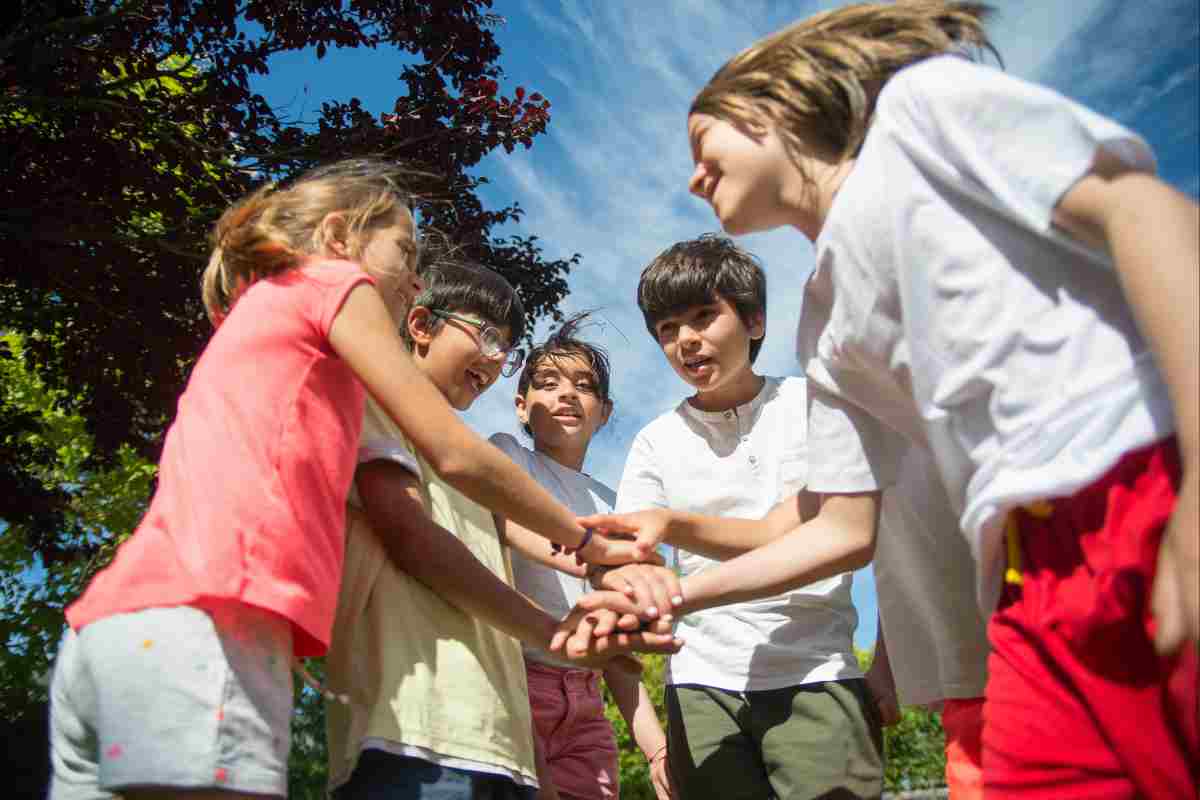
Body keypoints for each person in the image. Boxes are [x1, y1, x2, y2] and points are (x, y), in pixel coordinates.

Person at [577, 2, 1198, 796]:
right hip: (1016, 575)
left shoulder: (918, 116)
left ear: (770, 111)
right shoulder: (825, 317)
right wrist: (673, 596)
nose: (693, 176)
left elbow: (1147, 209)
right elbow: (835, 525)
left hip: (1137, 484)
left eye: (704, 144)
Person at [47, 157, 656, 800]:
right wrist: (587, 544)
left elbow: (473, 508)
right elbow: (452, 453)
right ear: (340, 237)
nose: (416, 281)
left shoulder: (272, 330)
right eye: (405, 252)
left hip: (116, 628)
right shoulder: (329, 282)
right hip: (210, 627)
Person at [326, 263, 679, 800]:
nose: (494, 358)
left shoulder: (604, 501)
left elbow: (513, 545)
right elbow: (435, 532)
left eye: (505, 348)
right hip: (414, 727)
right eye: (488, 337)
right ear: (418, 325)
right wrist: (577, 580)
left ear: (606, 411)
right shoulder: (470, 453)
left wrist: (650, 740)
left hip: (504, 722)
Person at [609, 235, 882, 799]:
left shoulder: (816, 408)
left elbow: (847, 535)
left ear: (754, 321)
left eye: (704, 317)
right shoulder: (654, 442)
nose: (686, 339)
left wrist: (889, 665)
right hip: (702, 682)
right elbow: (628, 555)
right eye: (667, 329)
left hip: (817, 668)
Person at [488, 314, 675, 800]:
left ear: (605, 412)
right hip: (515, 684)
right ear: (521, 406)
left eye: (584, 386)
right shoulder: (509, 457)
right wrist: (587, 558)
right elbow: (505, 524)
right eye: (548, 384)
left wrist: (656, 749)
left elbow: (616, 649)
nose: (567, 394)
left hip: (586, 707)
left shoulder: (615, 506)